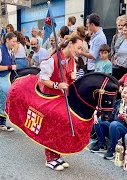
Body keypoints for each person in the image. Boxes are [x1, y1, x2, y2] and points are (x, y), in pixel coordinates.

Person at [38, 35, 82, 170]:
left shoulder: (72, 60)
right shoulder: (53, 59)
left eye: (81, 49)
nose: (79, 51)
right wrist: (57, 85)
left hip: (63, 98)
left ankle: (57, 155)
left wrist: (71, 77)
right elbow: (43, 79)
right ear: (70, 44)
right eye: (78, 47)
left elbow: (69, 78)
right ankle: (49, 158)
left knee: (60, 127)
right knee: (50, 127)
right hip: (50, 98)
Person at [90, 84, 127, 160]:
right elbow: (109, 118)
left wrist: (126, 117)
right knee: (99, 121)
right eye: (124, 92)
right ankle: (102, 144)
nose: (126, 95)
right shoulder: (116, 102)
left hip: (125, 130)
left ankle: (113, 149)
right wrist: (100, 116)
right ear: (121, 92)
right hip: (113, 127)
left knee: (114, 124)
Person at [111, 15, 127, 80]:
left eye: (122, 25)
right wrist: (113, 60)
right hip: (115, 65)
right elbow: (112, 50)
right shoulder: (115, 37)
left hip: (125, 65)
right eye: (119, 25)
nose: (120, 27)